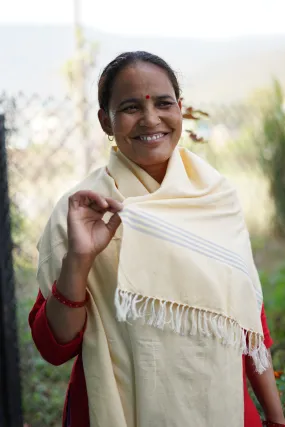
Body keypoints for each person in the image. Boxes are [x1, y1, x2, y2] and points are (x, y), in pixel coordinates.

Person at [29, 51, 285, 427]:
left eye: (164, 103)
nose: (151, 119)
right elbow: (55, 347)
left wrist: (276, 418)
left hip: (223, 408)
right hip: (118, 410)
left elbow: (246, 320)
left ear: (180, 108)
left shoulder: (214, 197)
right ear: (105, 121)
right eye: (130, 107)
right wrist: (80, 259)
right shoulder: (82, 212)